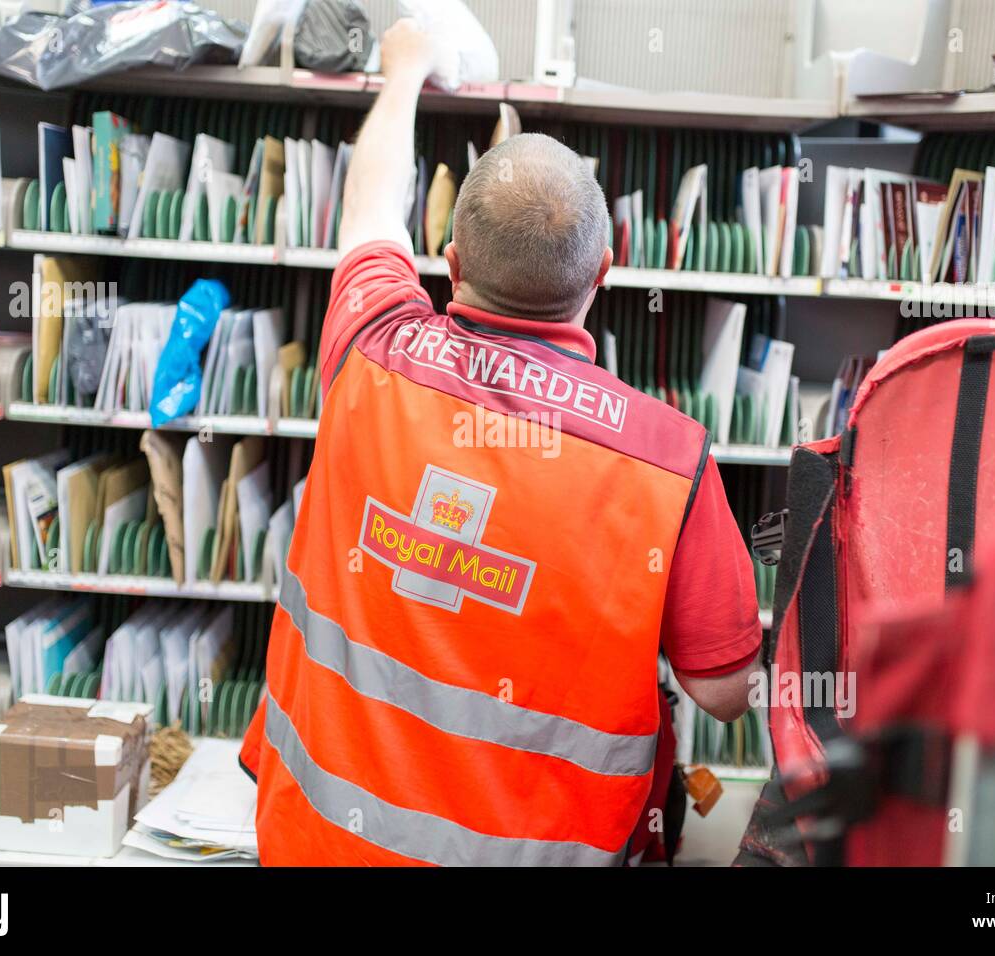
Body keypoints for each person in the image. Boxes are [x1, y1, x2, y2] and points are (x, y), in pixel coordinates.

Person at [239, 18, 762, 866]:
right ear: (603, 273)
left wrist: (404, 69)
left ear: (450, 261)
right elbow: (725, 691)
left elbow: (370, 204)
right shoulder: (669, 461)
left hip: (315, 844)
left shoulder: (371, 345)